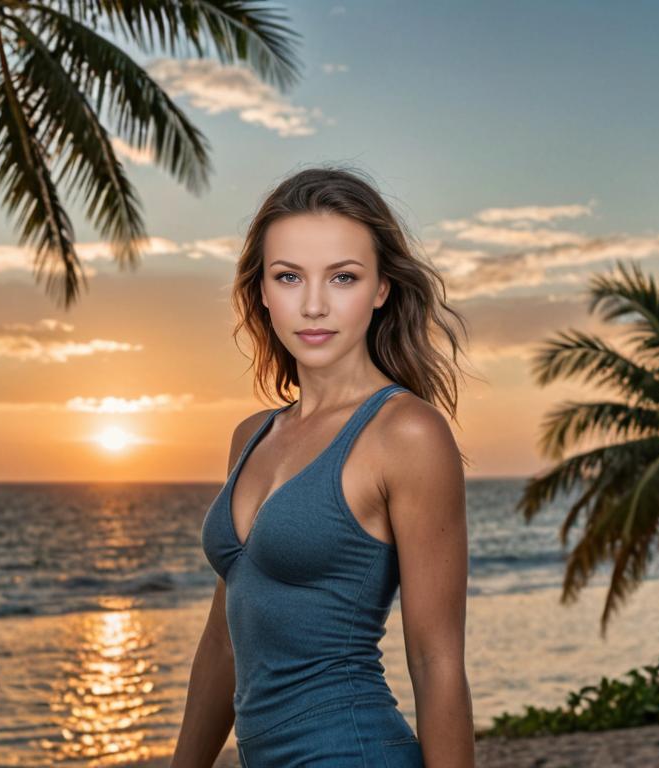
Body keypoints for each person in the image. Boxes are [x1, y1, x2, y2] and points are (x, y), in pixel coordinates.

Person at [172, 165, 474, 767]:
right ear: (261, 290)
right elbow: (223, 644)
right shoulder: (251, 436)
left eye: (343, 277)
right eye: (289, 277)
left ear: (382, 288)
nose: (313, 305)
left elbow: (436, 662)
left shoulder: (406, 434)